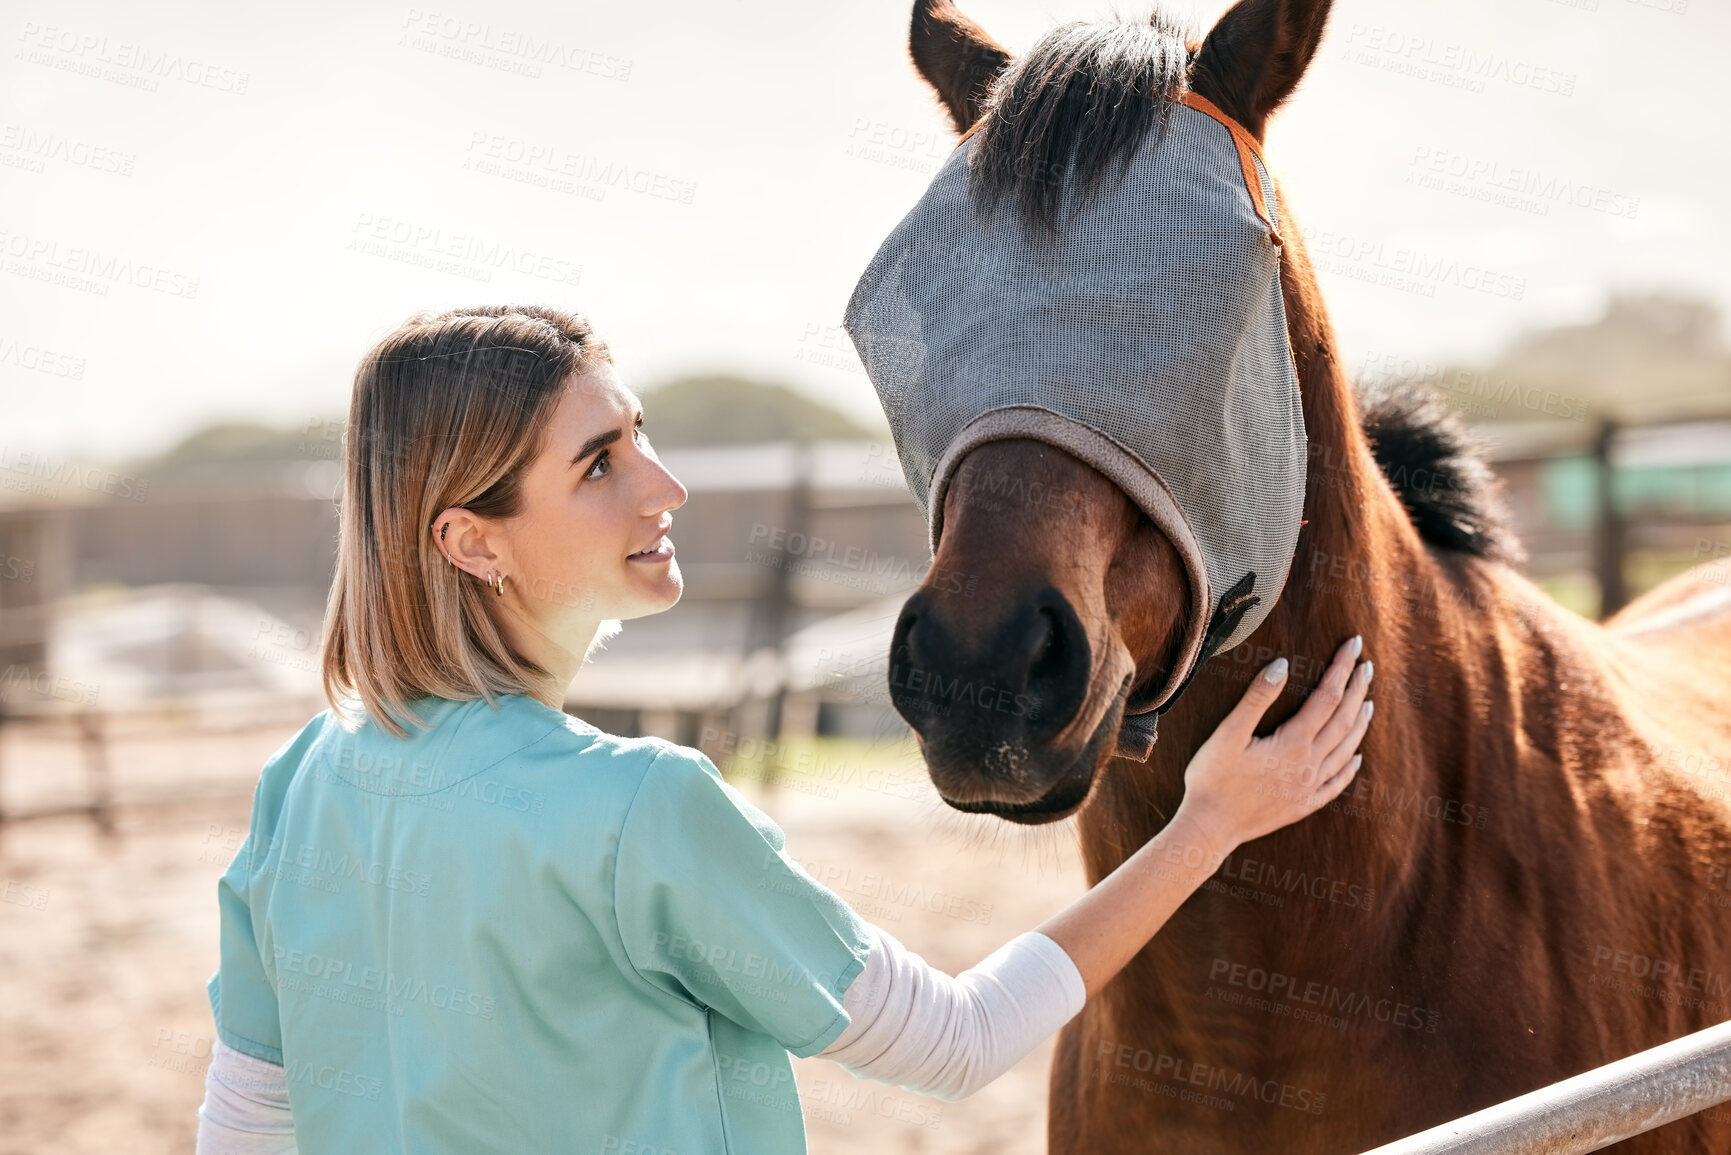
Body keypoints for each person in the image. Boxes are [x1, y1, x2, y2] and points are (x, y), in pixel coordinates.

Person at [195, 305, 1373, 1154]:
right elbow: (953, 1042)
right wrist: (1212, 821)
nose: (664, 487)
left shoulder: (304, 783)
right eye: (599, 464)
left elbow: (246, 1123)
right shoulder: (637, 811)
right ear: (471, 541)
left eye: (641, 434)